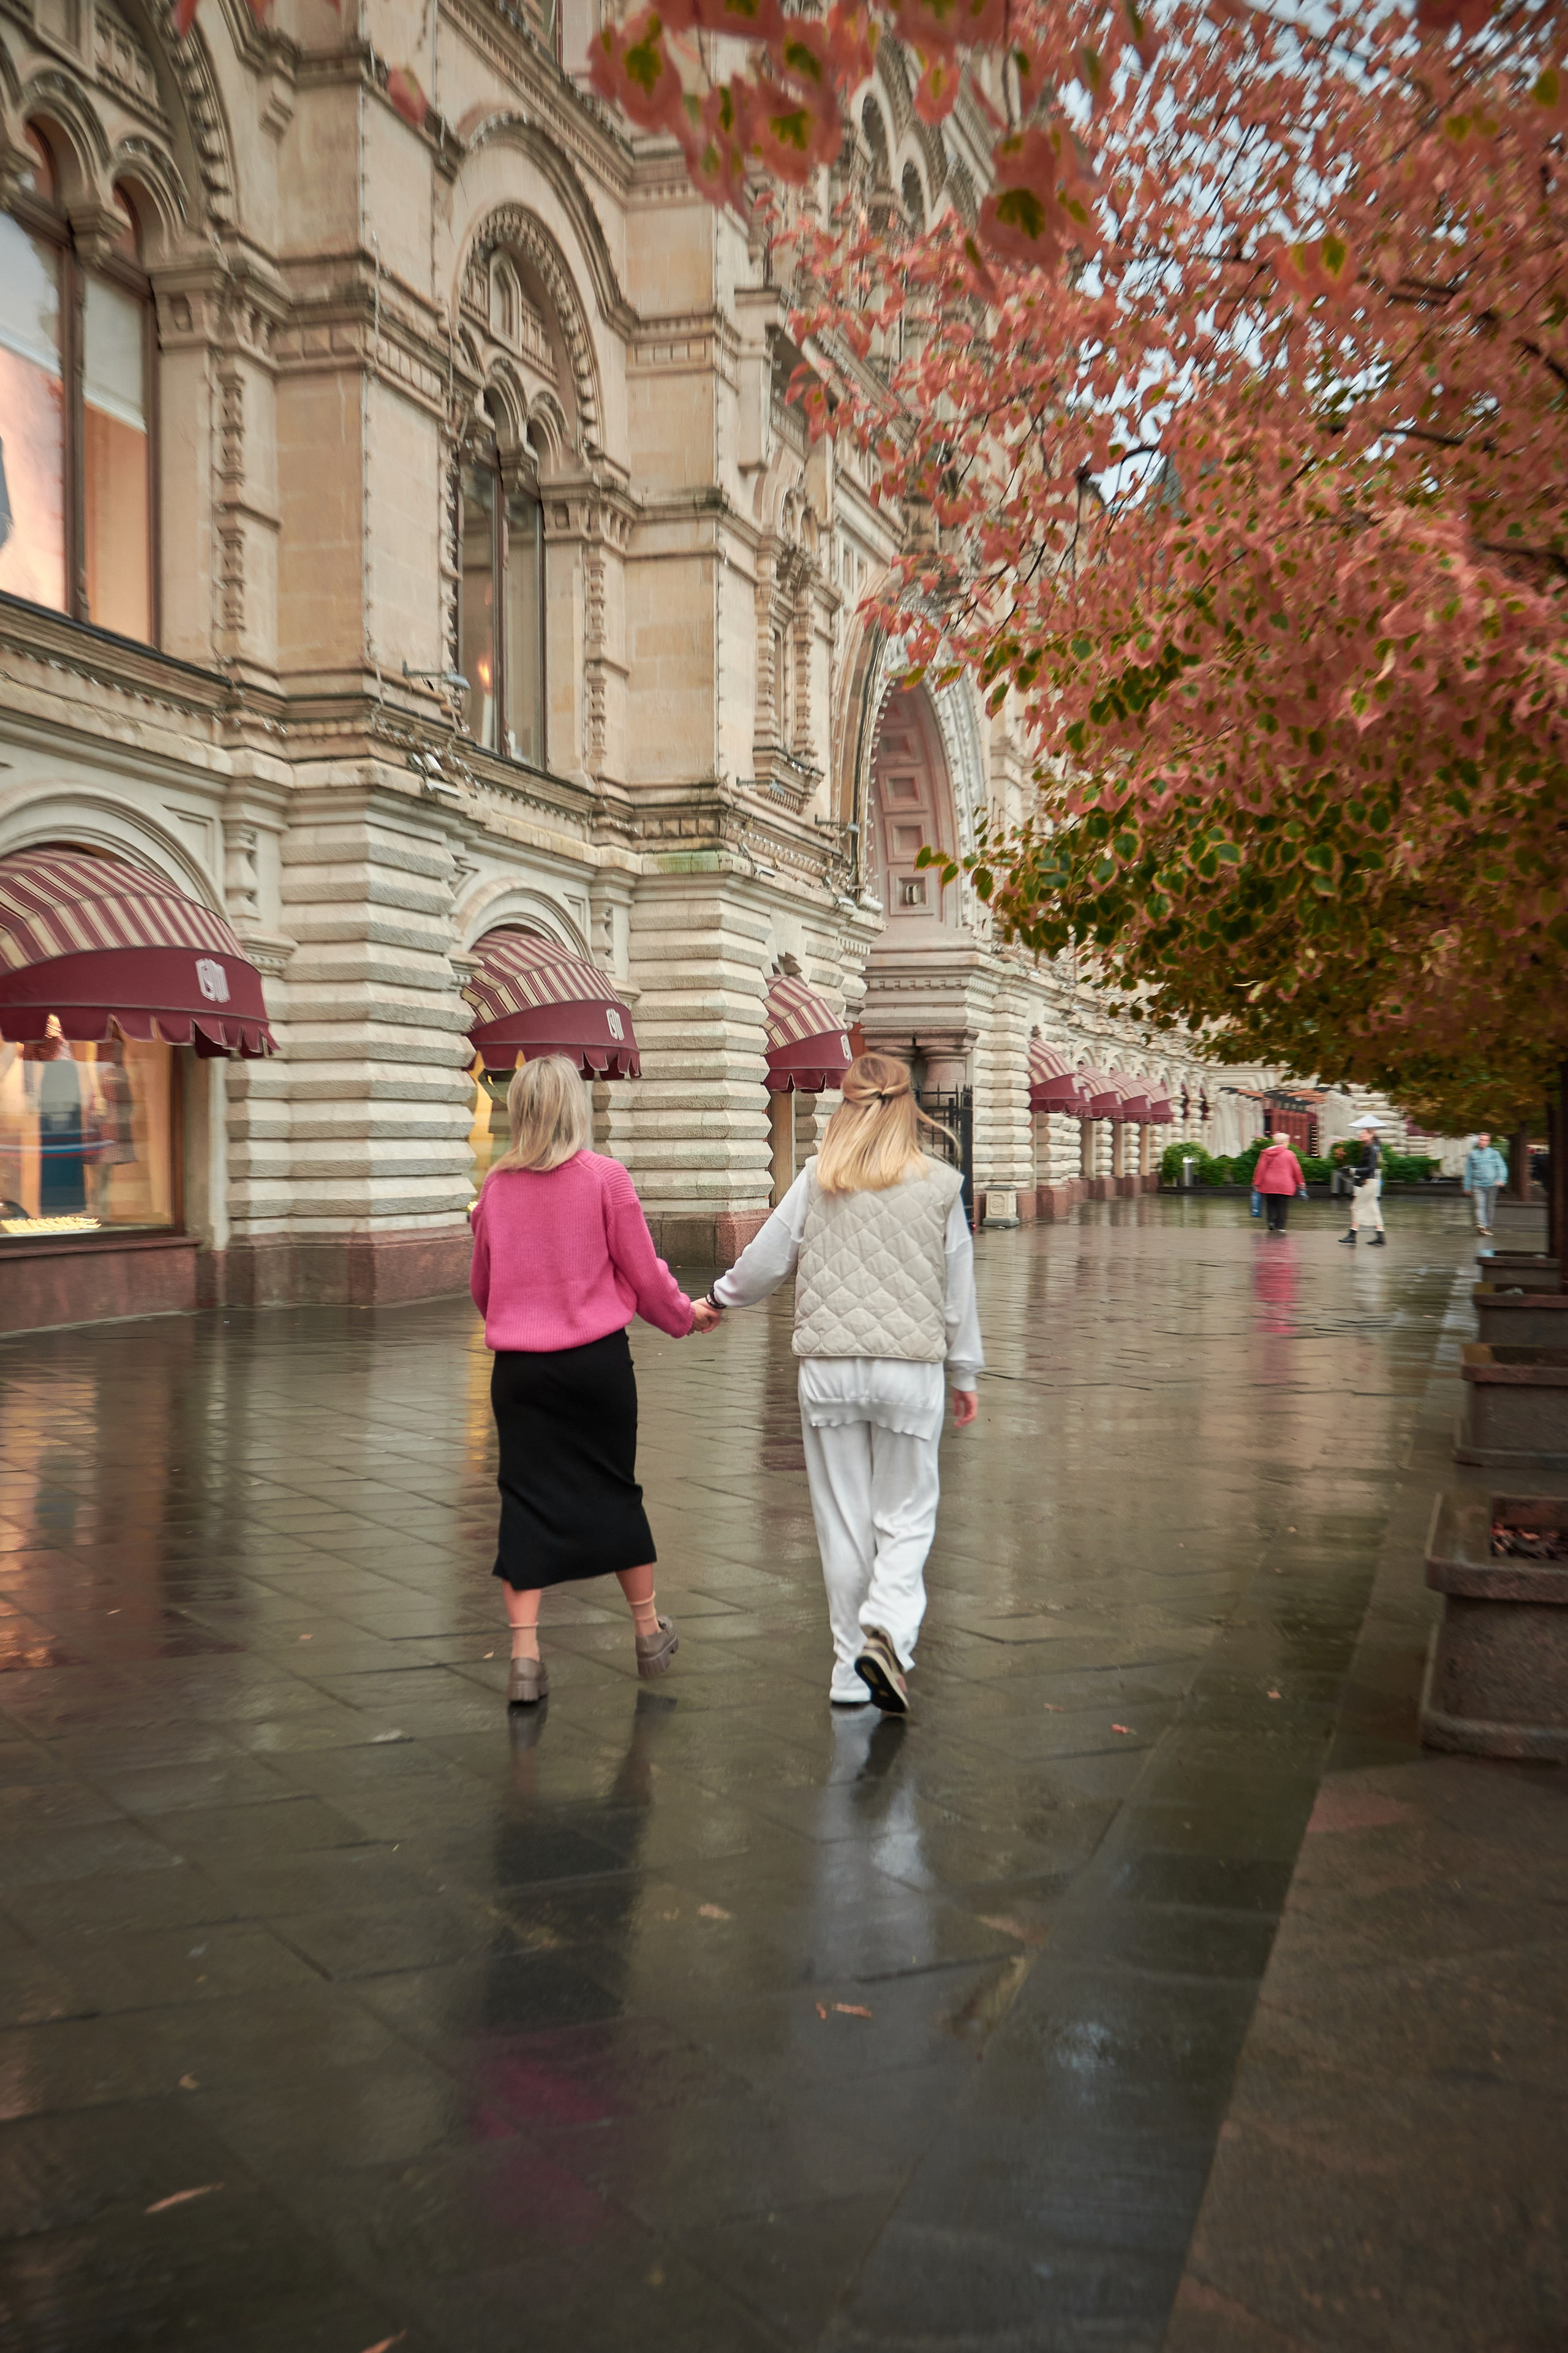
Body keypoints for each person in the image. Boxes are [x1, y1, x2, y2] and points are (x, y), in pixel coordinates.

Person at [699, 1053, 982, 1718]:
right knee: (907, 1515)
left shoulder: (815, 1178)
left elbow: (766, 1259)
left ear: (847, 1105)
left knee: (841, 1522)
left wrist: (716, 1297)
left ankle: (849, 1674)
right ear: (908, 1106)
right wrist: (964, 1371)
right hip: (907, 1370)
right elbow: (958, 1293)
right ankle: (885, 1628)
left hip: (827, 1369)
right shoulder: (941, 1184)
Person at [469, 1054, 715, 1707]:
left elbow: (482, 1287)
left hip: (519, 1372)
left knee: (523, 1498)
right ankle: (646, 1633)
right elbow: (643, 1272)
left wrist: (518, 1316)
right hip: (596, 1365)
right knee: (613, 1489)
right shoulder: (606, 1178)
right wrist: (683, 1318)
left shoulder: (495, 1187)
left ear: (518, 1110)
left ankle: (524, 1657)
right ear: (577, 1108)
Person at [1337, 1117, 1387, 1247]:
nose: (1361, 1135)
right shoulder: (1374, 1147)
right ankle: (1380, 1237)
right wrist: (1354, 1169)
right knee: (1373, 1208)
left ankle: (1352, 1236)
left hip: (1369, 1182)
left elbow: (1370, 1168)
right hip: (1372, 1181)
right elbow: (1369, 1166)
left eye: (1364, 1133)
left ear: (1371, 1135)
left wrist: (1354, 1171)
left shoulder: (1370, 1148)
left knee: (1356, 1207)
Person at [1253, 1130, 1306, 1234]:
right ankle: (1281, 1226)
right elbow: (1296, 1170)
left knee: (1270, 1204)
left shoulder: (1266, 1153)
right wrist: (1301, 1183)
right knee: (1282, 1205)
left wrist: (1256, 1183)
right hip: (1284, 1185)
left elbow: (1261, 1169)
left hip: (1269, 1184)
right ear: (1285, 1142)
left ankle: (1271, 1222)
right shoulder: (1290, 1154)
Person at [1463, 1131, 1509, 1235]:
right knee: (1480, 1205)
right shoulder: (1472, 1154)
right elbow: (1469, 1171)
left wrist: (1502, 1179)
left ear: (1488, 1142)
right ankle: (1481, 1225)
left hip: (1492, 1185)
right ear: (1478, 1141)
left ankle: (1487, 1227)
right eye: (1480, 1139)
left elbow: (1502, 1167)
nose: (1482, 1142)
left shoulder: (1494, 1153)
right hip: (1477, 1185)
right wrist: (1467, 1186)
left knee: (1489, 1207)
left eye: (1485, 1140)